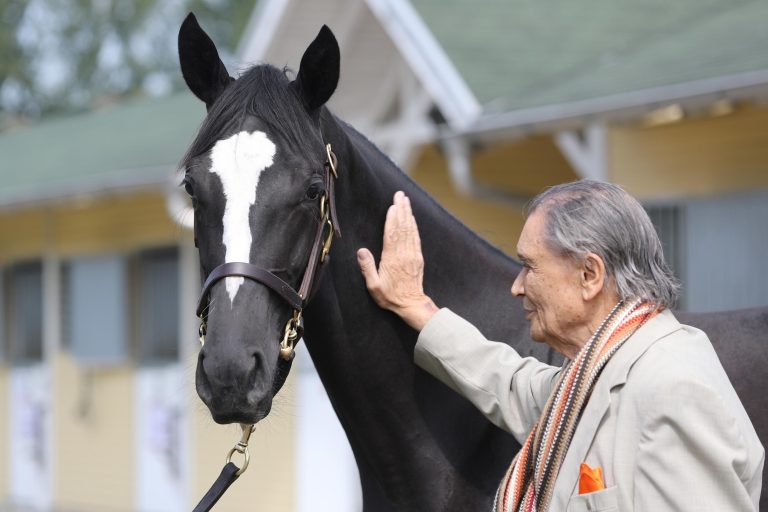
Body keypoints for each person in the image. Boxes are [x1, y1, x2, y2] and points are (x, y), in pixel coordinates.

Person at [356, 181, 764, 511]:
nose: (517, 287)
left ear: (589, 275)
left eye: (529, 266)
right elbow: (507, 381)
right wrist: (417, 306)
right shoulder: (598, 374)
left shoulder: (673, 387)